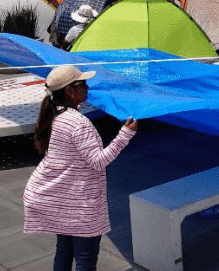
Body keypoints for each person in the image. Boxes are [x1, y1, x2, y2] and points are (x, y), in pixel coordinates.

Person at [24, 65, 137, 271]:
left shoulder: (56, 114)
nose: (87, 87)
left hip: (60, 200)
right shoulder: (77, 123)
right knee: (85, 260)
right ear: (70, 90)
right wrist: (125, 135)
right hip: (78, 205)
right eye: (83, 83)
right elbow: (98, 161)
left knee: (64, 252)